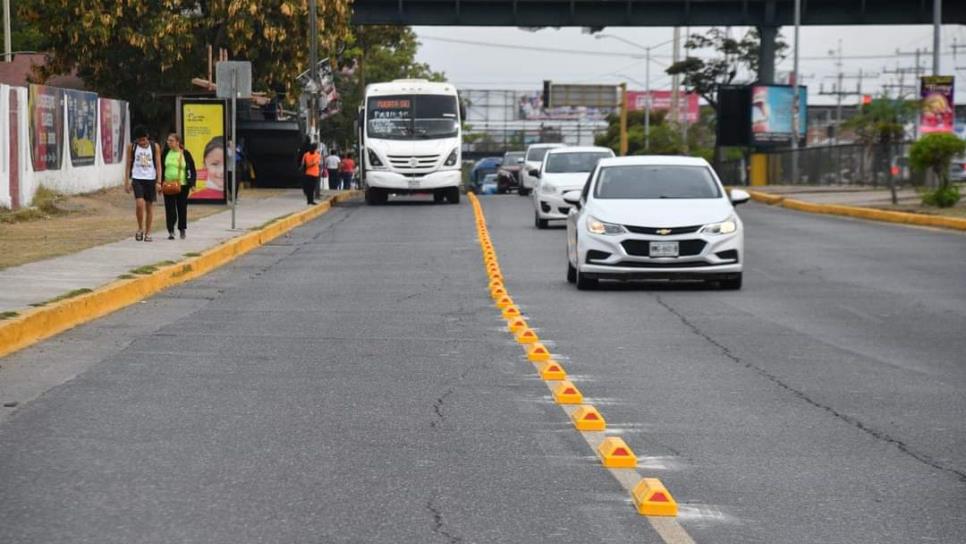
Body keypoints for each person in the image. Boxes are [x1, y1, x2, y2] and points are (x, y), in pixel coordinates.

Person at [125, 126, 162, 242]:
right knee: (139, 204)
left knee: (149, 206)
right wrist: (127, 181)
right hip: (137, 178)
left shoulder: (154, 146)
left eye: (144, 140)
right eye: (139, 140)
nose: (142, 142)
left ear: (147, 137)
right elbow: (128, 165)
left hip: (150, 179)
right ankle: (140, 227)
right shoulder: (132, 147)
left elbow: (158, 164)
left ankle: (148, 232)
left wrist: (159, 181)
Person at [161, 133, 197, 240]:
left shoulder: (185, 154)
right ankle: (171, 230)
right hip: (168, 184)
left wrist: (192, 183)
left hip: (182, 185)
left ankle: (182, 229)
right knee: (169, 208)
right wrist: (159, 182)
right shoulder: (166, 153)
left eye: (171, 140)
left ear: (177, 142)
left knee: (181, 207)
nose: (169, 142)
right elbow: (161, 167)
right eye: (168, 140)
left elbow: (191, 169)